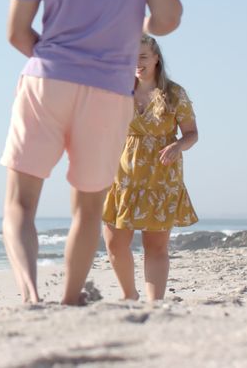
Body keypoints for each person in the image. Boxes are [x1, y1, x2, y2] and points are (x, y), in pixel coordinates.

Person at [0, 0, 183, 305]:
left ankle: (30, 297)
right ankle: (66, 301)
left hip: (48, 79)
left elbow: (18, 33)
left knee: (20, 204)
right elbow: (168, 20)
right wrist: (133, 26)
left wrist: (58, 59)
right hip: (109, 89)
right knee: (87, 208)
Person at [102, 36, 198, 301]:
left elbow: (192, 134)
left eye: (142, 57)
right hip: (122, 178)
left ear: (156, 58)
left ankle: (155, 304)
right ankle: (129, 295)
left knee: (155, 247)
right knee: (113, 242)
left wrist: (179, 146)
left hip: (160, 178)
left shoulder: (175, 94)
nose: (137, 63)